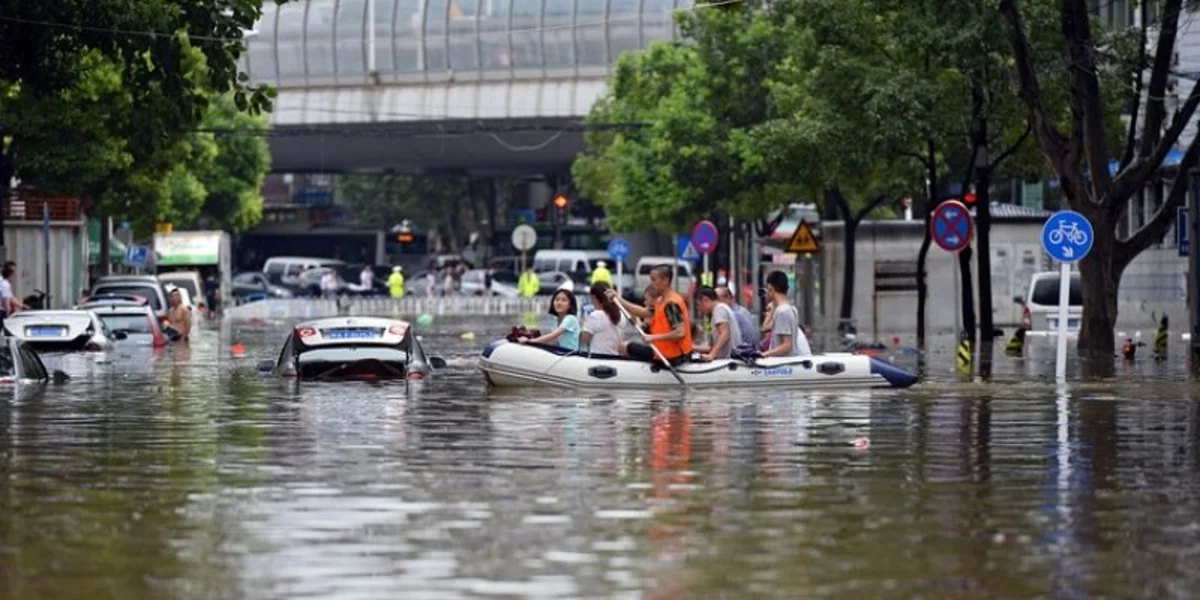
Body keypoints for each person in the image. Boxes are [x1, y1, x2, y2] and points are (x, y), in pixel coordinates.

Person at [608, 265, 693, 365]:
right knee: (627, 346)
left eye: (654, 280)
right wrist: (619, 299)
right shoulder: (661, 300)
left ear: (665, 281)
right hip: (661, 352)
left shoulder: (671, 304)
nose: (651, 284)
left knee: (624, 347)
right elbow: (643, 312)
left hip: (673, 357)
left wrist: (653, 337)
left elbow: (680, 333)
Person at [761, 270, 812, 357]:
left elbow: (787, 345)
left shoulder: (782, 312)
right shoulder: (792, 309)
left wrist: (764, 354)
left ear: (770, 288)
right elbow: (765, 328)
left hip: (782, 365)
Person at [694, 286, 742, 361]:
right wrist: (692, 347)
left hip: (728, 362)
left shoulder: (719, 310)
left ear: (705, 300)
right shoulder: (721, 308)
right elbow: (711, 346)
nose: (699, 309)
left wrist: (712, 355)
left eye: (698, 305)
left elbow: (725, 334)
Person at [582, 282, 627, 355]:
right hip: (615, 358)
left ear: (594, 298)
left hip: (597, 357)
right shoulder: (621, 315)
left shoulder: (594, 316)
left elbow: (584, 340)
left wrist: (585, 320)